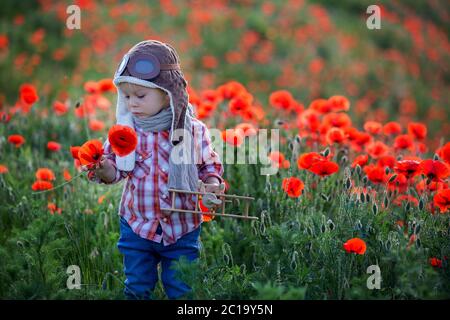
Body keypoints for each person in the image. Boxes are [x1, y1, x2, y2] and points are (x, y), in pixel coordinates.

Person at [87, 40, 224, 300]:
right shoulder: (125, 132)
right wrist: (105, 168)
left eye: (140, 96)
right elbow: (116, 171)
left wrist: (212, 182)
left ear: (167, 93)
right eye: (126, 96)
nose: (132, 103)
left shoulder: (192, 130)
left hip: (182, 227)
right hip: (137, 224)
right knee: (137, 287)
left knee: (182, 289)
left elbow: (209, 165)